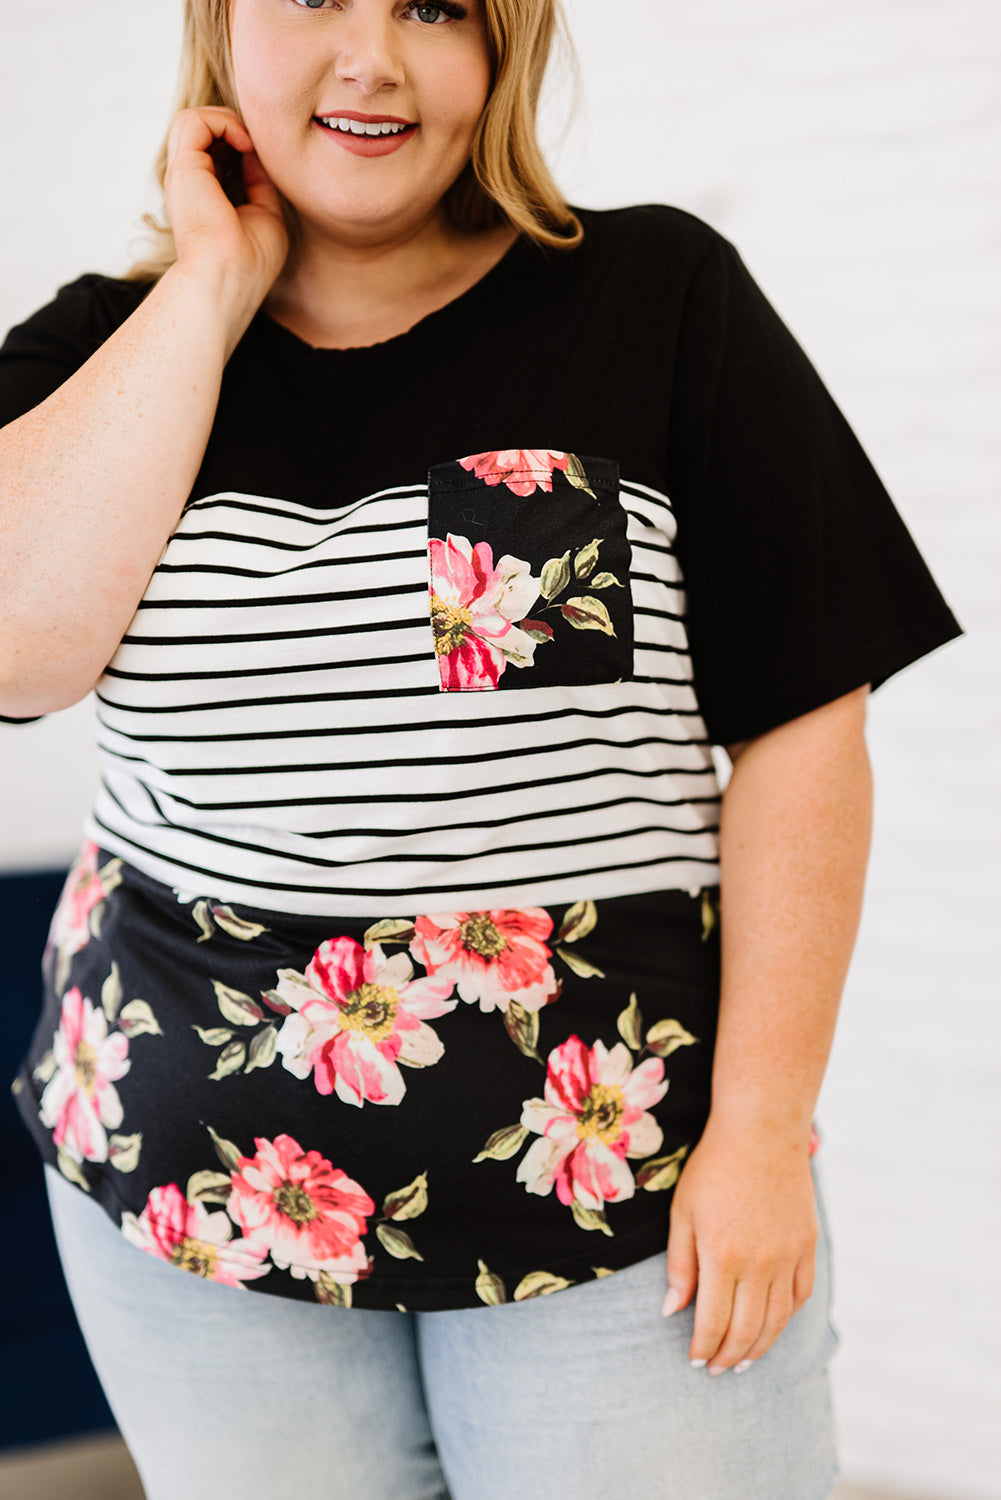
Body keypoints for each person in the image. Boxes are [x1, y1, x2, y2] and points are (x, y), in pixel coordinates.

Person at [1, 1, 961, 1497]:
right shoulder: (101, 347)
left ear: (502, 50)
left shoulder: (657, 296)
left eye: (436, 7)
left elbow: (801, 729)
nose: (372, 57)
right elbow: (14, 650)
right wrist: (209, 285)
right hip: (186, 1194)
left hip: (618, 1193)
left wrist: (764, 1133)